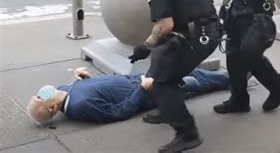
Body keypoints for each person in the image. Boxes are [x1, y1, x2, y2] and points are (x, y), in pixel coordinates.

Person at [123, 0, 221, 152]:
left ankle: (187, 134)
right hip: (205, 29)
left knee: (161, 82)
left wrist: (145, 46)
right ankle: (168, 108)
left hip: (199, 35)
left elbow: (164, 24)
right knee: (164, 65)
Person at [27, 67, 230, 124]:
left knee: (187, 70)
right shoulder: (80, 105)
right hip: (148, 91)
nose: (41, 92)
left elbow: (98, 89)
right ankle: (233, 80)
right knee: (193, 82)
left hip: (136, 79)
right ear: (52, 108)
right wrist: (143, 89)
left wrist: (86, 79)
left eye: (37, 94)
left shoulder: (64, 90)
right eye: (41, 97)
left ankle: (231, 77)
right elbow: (119, 111)